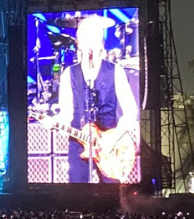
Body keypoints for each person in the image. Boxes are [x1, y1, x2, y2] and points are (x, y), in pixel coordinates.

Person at [42, 15, 139, 183]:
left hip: (111, 144)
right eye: (84, 39)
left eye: (93, 39)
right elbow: (67, 114)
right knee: (77, 193)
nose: (89, 45)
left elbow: (131, 112)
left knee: (111, 198)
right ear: (78, 44)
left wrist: (113, 138)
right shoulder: (69, 74)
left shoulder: (115, 71)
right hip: (79, 142)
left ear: (101, 44)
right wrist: (53, 122)